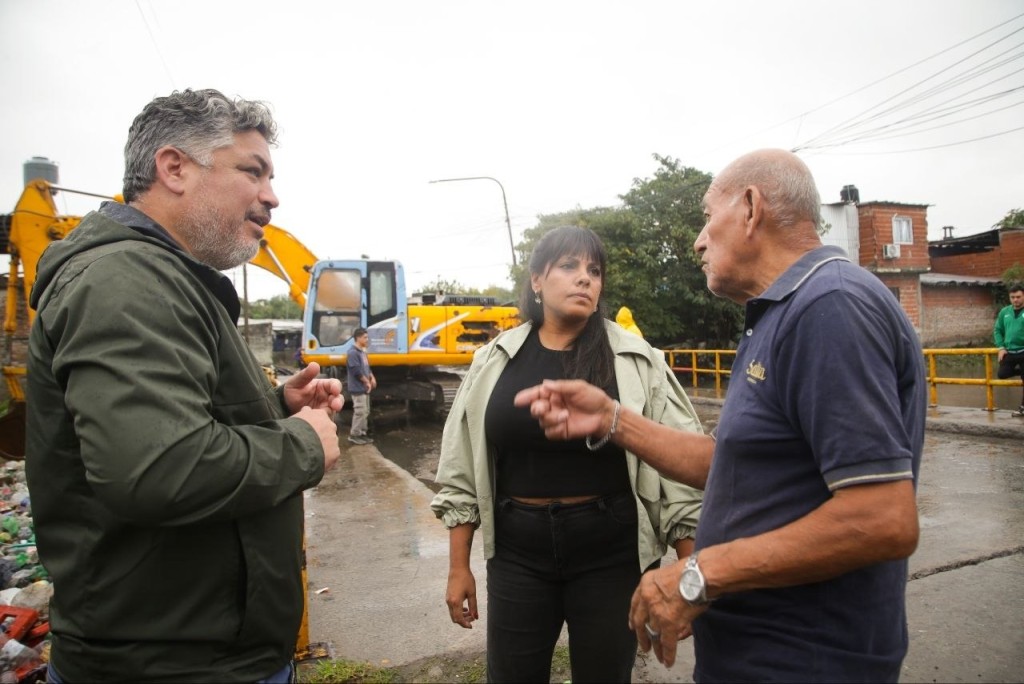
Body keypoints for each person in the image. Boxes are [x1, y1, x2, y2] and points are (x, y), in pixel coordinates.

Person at [515, 149, 926, 683]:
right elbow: (734, 465)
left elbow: (882, 518)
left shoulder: (831, 306)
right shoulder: (785, 311)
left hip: (805, 657)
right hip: (757, 650)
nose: (699, 239)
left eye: (708, 217)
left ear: (751, 208)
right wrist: (614, 419)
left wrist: (697, 574)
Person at [25, 89, 343, 683]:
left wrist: (276, 406)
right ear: (174, 168)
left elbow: (172, 420)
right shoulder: (123, 280)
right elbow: (158, 468)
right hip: (170, 667)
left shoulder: (166, 280)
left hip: (213, 654)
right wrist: (301, 442)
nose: (271, 196)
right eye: (253, 172)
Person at [430, 226, 704, 683]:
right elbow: (460, 472)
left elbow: (681, 478)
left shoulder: (637, 361)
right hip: (517, 555)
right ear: (536, 280)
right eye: (569, 267)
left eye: (594, 271)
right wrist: (459, 567)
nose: (585, 279)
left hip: (611, 556)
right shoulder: (493, 361)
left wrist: (689, 577)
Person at [994, 282, 1024, 416]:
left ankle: (1022, 408)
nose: (1015, 300)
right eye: (1012, 297)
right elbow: (998, 330)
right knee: (1002, 374)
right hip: (1010, 351)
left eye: (1018, 297)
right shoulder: (1004, 312)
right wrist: (1001, 347)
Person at [346, 327, 377, 444]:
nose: (367, 339)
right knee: (359, 411)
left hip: (364, 388)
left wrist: (372, 377)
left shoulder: (362, 353)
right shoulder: (352, 353)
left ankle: (362, 433)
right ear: (358, 338)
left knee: (365, 411)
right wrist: (366, 381)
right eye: (365, 337)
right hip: (357, 388)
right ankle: (354, 435)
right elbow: (356, 371)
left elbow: (367, 368)